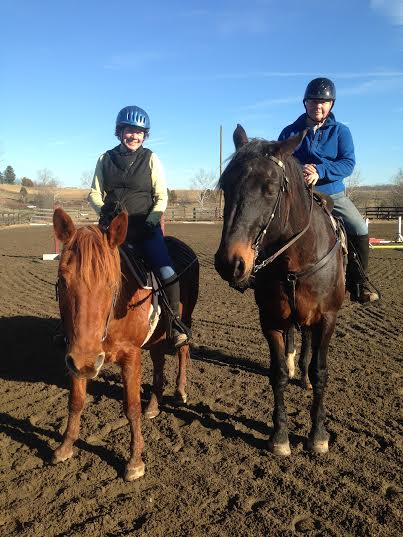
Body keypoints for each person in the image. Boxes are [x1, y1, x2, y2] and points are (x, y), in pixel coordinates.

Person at [88, 105, 188, 347]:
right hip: (111, 231)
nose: (133, 136)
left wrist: (151, 221)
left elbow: (161, 196)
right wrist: (103, 210)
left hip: (144, 229)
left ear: (145, 136)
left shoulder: (151, 159)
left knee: (167, 273)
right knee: (84, 272)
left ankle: (174, 324)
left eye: (139, 132)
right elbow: (93, 193)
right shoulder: (105, 158)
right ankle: (70, 327)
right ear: (120, 132)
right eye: (129, 131)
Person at [278, 77, 379, 304]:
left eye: (324, 102)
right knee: (271, 223)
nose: (318, 106)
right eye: (314, 102)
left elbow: (348, 163)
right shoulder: (289, 132)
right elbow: (280, 161)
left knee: (359, 227)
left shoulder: (341, 132)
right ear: (305, 103)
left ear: (331, 104)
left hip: (332, 193)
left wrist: (320, 171)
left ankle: (358, 283)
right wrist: (299, 171)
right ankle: (258, 274)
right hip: (298, 194)